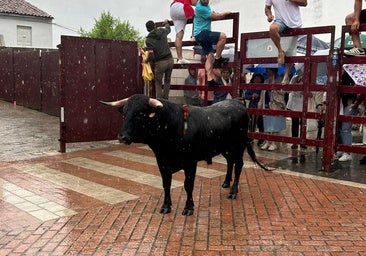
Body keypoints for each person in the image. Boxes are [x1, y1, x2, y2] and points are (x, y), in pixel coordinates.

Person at [264, 0, 307, 85]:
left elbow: (304, 2)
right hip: (280, 21)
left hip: (295, 23)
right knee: (272, 29)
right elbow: (267, 7)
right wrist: (269, 15)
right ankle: (280, 51)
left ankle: (286, 75)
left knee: (291, 50)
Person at [193, 0, 231, 86]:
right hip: (203, 33)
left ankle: (210, 79)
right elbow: (215, 16)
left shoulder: (203, 5)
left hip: (199, 35)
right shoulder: (200, 8)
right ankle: (218, 57)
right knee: (223, 36)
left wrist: (213, 13)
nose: (206, 1)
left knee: (210, 55)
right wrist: (225, 13)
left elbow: (211, 13)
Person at [145, 19, 174, 99]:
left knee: (158, 83)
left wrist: (146, 60)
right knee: (167, 80)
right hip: (170, 60)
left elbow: (151, 56)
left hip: (160, 63)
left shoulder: (148, 40)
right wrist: (166, 23)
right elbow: (168, 29)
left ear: (147, 29)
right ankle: (166, 99)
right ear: (155, 26)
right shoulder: (162, 31)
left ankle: (160, 101)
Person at [259, 68, 286, 151]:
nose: (267, 72)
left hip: (276, 105)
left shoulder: (280, 80)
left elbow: (284, 92)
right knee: (266, 123)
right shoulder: (266, 81)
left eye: (269, 70)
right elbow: (262, 93)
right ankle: (267, 142)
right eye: (267, 70)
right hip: (266, 103)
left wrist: (275, 86)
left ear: (273, 71)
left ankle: (274, 143)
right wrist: (260, 103)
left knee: (275, 123)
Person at [334, 72, 359, 162]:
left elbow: (354, 92)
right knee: (340, 127)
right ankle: (341, 148)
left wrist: (355, 103)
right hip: (342, 104)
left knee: (345, 128)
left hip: (350, 104)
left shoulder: (351, 75)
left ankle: (347, 152)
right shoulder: (337, 76)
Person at [245, 73, 265, 147]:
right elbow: (246, 95)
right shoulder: (250, 85)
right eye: (255, 78)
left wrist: (258, 96)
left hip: (260, 106)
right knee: (251, 123)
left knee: (260, 123)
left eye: (259, 78)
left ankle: (261, 138)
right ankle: (251, 137)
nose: (257, 80)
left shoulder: (263, 87)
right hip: (252, 106)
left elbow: (264, 96)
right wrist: (251, 96)